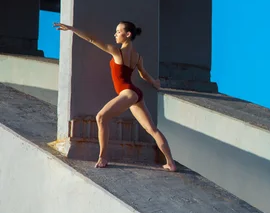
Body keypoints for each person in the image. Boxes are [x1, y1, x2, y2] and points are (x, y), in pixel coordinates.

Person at [53, 21, 177, 171]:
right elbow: (143, 74)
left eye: (118, 31)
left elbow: (92, 39)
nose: (115, 34)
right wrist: (154, 83)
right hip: (135, 94)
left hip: (128, 92)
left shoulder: (117, 52)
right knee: (152, 130)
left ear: (128, 34)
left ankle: (103, 157)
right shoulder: (137, 57)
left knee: (101, 117)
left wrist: (72, 28)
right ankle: (170, 163)